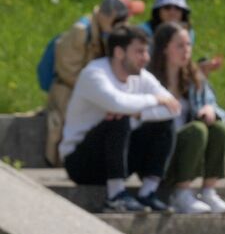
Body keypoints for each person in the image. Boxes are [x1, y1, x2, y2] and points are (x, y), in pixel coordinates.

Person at [60, 24, 180, 213]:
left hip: (117, 158)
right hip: (81, 163)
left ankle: (147, 193)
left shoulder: (141, 76)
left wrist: (140, 113)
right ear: (119, 52)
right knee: (118, 119)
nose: (146, 58)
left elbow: (173, 108)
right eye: (139, 52)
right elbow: (117, 103)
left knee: (164, 123)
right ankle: (115, 196)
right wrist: (153, 100)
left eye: (146, 52)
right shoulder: (94, 74)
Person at [44, 0, 143, 167]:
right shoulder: (81, 32)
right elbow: (67, 71)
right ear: (111, 16)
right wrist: (97, 91)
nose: (127, 22)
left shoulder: (107, 33)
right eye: (124, 17)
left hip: (94, 91)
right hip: (69, 91)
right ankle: (60, 161)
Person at [148, 22, 225, 214]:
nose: (186, 51)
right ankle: (180, 194)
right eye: (180, 45)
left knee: (218, 128)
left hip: (189, 154)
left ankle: (208, 191)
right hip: (159, 157)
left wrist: (210, 109)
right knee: (197, 130)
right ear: (164, 49)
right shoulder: (149, 79)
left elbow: (216, 107)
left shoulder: (194, 78)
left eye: (188, 45)